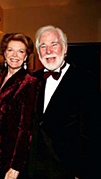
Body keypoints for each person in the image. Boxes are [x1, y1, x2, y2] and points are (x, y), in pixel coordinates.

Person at [30, 25, 101, 179]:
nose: (48, 51)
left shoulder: (86, 81)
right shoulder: (31, 81)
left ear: (65, 48)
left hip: (67, 170)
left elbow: (92, 131)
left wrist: (82, 172)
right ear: (38, 52)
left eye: (54, 44)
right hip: (33, 169)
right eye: (43, 46)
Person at [0, 33, 41, 179]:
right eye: (10, 50)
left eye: (21, 51)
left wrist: (16, 166)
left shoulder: (29, 83)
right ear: (4, 53)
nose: (15, 55)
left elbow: (26, 129)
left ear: (26, 57)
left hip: (12, 160)